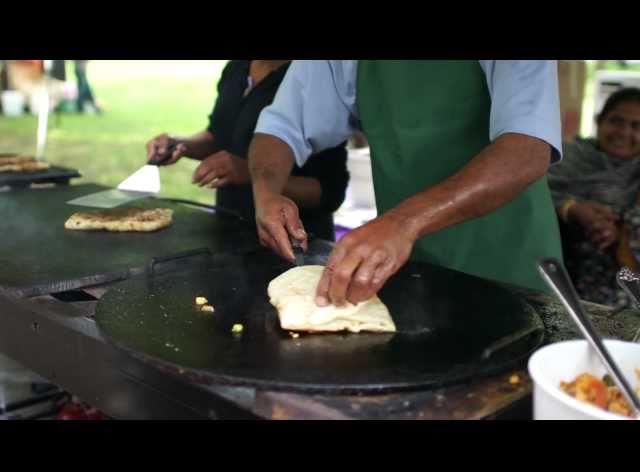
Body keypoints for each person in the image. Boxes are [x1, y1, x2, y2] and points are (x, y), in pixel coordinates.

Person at [248, 60, 563, 307]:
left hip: (508, 263)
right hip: (410, 264)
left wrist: (402, 222)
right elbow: (281, 126)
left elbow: (527, 149)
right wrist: (266, 193)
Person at [146, 60, 348, 241]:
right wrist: (181, 144)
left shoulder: (316, 79)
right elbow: (218, 135)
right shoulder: (237, 68)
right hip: (230, 231)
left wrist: (251, 174)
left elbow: (328, 193)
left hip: (295, 243)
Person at [548, 87, 640, 306]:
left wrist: (621, 236)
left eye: (637, 126)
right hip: (560, 280)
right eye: (616, 121)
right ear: (599, 121)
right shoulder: (564, 157)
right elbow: (531, 197)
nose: (624, 132)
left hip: (626, 295)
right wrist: (571, 209)